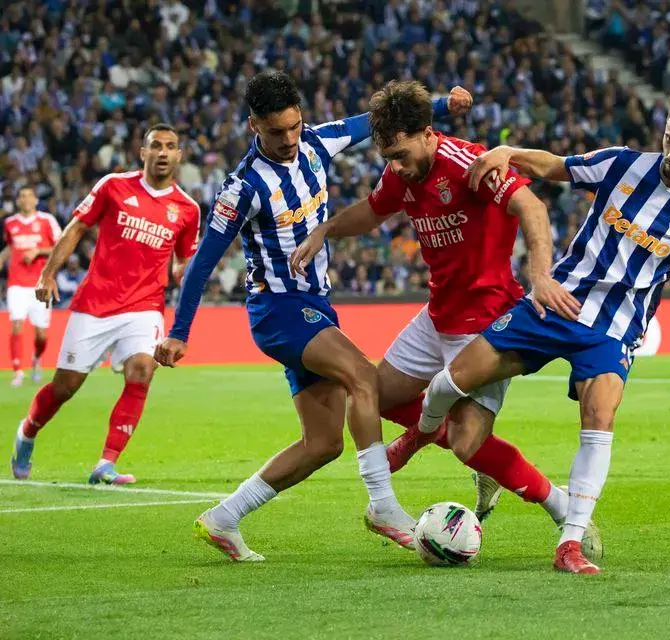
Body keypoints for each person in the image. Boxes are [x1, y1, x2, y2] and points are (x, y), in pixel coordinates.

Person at [153, 70, 471, 562]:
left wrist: (445, 104)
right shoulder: (243, 188)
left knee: (323, 443)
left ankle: (223, 518)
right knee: (363, 375)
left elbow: (375, 119)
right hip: (278, 309)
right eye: (275, 131)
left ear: (302, 117)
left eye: (293, 127)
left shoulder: (318, 143)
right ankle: (383, 506)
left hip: (315, 306)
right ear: (253, 125)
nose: (287, 139)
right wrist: (179, 332)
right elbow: (201, 263)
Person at [417, 91, 670, 574]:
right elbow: (555, 166)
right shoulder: (623, 164)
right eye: (668, 139)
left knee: (600, 417)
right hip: (556, 301)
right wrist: (508, 152)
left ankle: (570, 543)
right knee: (450, 382)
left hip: (612, 330)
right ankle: (416, 437)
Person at [289, 80, 600, 558]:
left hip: (486, 321)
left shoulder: (468, 163)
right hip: (437, 316)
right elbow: (373, 211)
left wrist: (540, 275)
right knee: (369, 394)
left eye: (400, 155)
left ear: (429, 134)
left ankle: (561, 507)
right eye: (387, 157)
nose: (395, 167)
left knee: (468, 443)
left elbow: (532, 206)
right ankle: (445, 441)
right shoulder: (402, 173)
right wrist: (326, 229)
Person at [10, 124, 200, 484]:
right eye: (155, 146)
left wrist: (189, 277)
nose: (162, 152)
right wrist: (47, 274)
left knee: (142, 371)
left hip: (145, 306)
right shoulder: (113, 185)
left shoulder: (187, 209)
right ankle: (27, 432)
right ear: (142, 152)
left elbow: (182, 263)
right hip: (95, 303)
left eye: (170, 146)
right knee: (65, 387)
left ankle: (106, 463)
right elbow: (77, 227)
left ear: (179, 155)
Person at [1, 187, 61, 387]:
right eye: (22, 196)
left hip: (41, 283)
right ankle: (18, 371)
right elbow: (11, 247)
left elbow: (61, 246)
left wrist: (38, 251)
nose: (25, 199)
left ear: (36, 200)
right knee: (16, 324)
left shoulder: (47, 220)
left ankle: (36, 359)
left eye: (29, 196)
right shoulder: (10, 223)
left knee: (41, 334)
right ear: (17, 201)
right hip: (16, 283)